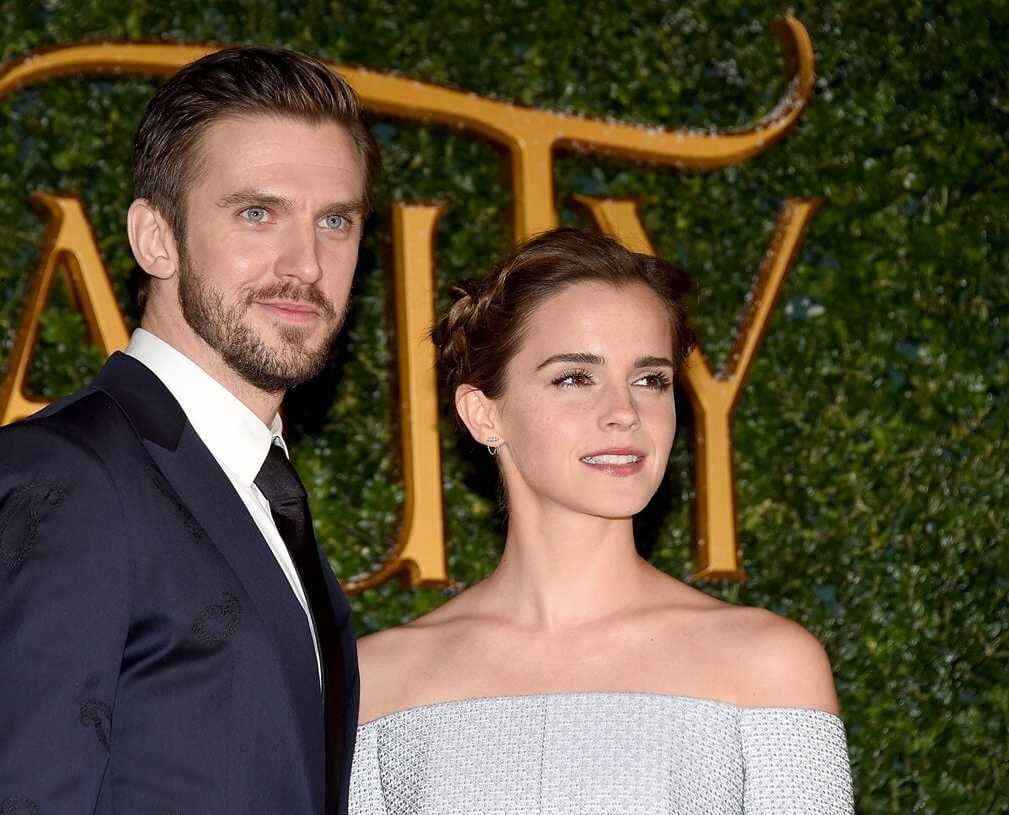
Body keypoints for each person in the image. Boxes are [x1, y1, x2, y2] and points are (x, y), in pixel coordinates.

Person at [0, 45, 379, 814]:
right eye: (258, 213)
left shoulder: (259, 492)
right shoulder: (63, 479)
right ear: (155, 238)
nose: (305, 262)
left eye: (335, 219)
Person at [349, 229, 854, 814]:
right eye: (575, 378)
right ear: (484, 415)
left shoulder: (769, 665)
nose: (624, 413)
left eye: (650, 380)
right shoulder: (377, 681)